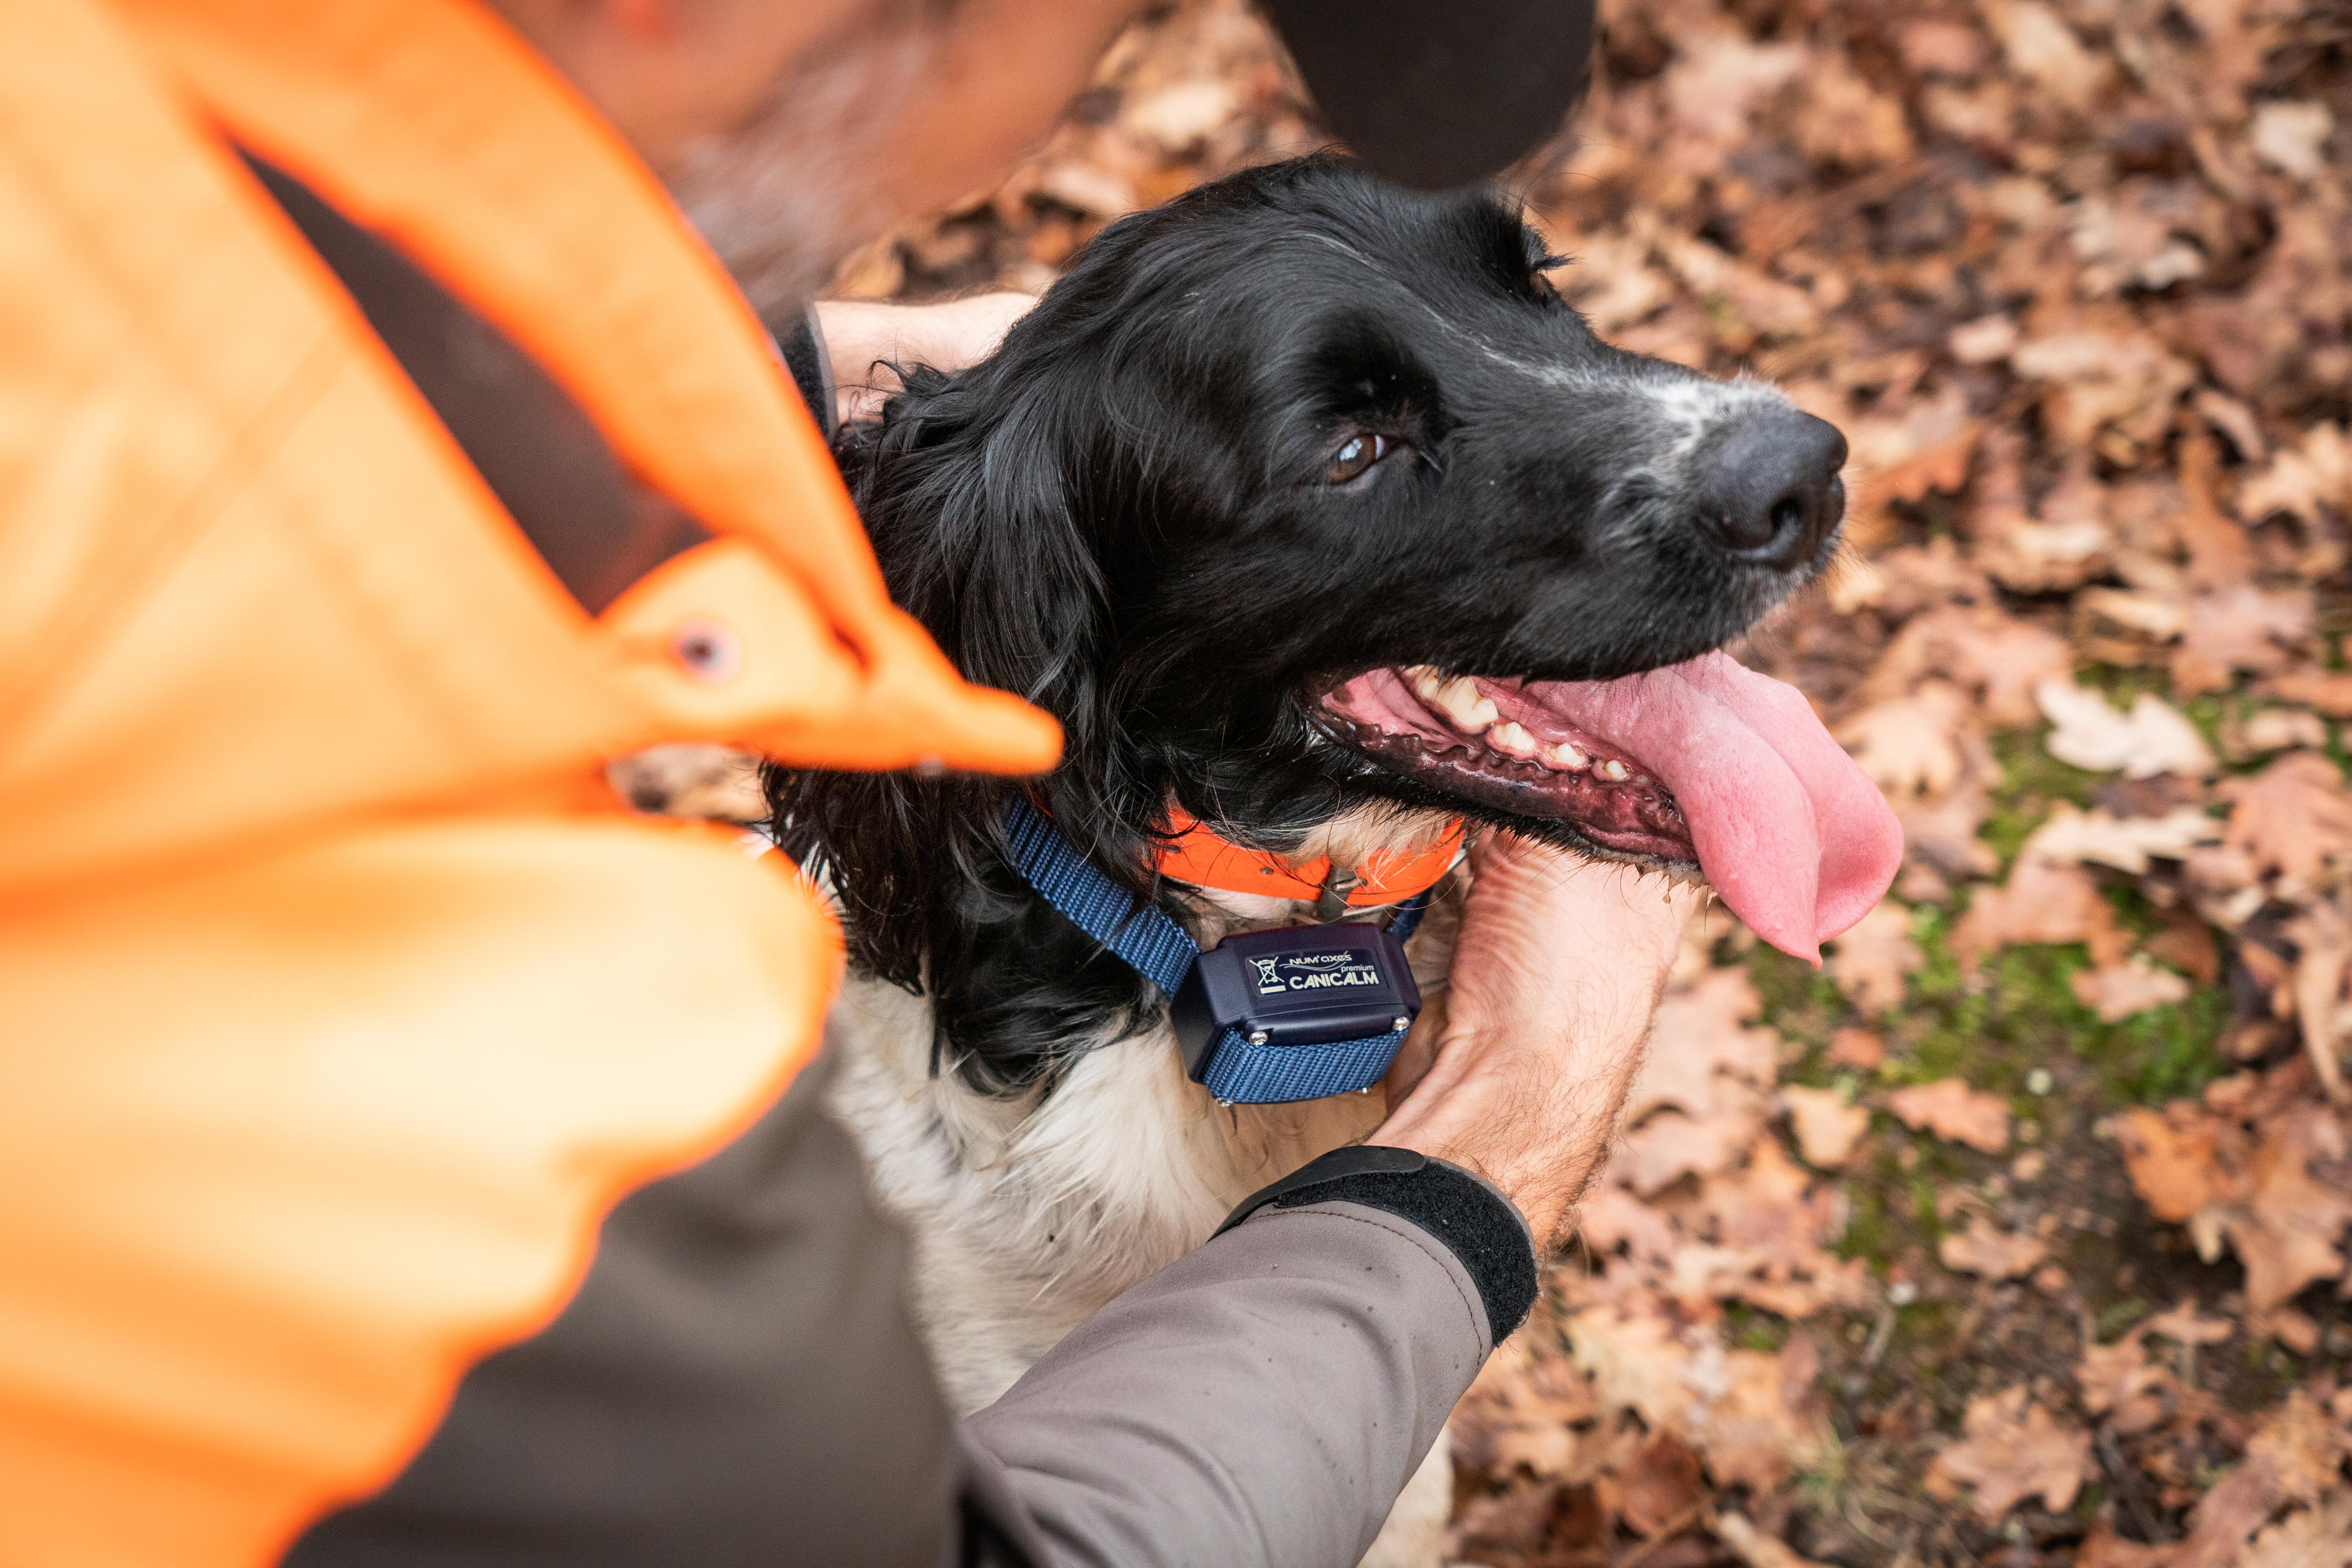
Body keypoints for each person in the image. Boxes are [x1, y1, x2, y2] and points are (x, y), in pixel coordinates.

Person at [0, 1, 1690, 1564]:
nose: (1032, 118)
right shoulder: (504, 1095)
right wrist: (1482, 1151)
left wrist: (759, 384)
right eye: (1099, 29)